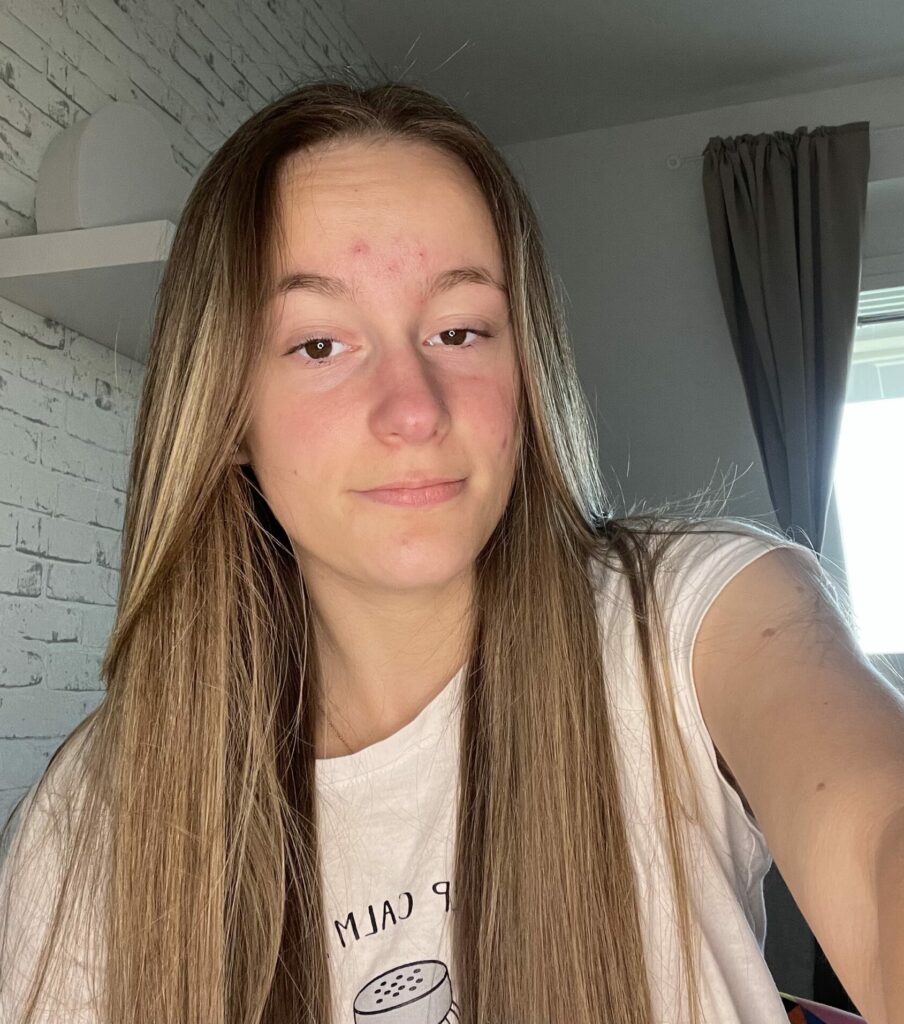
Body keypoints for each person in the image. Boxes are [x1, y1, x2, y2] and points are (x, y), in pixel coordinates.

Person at [0, 75, 902, 1024]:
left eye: (460, 330)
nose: (414, 410)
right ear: (225, 414)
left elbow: (874, 830)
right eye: (319, 346)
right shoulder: (99, 812)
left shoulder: (693, 618)